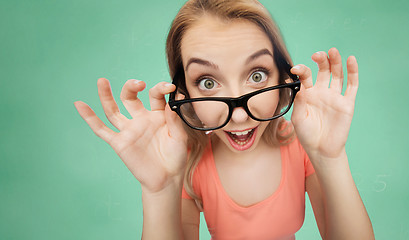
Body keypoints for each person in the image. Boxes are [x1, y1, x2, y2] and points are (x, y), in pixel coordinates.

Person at [74, 0, 375, 239]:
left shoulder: (300, 147)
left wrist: (330, 157)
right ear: (182, 94)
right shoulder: (189, 165)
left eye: (257, 75)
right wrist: (161, 190)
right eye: (207, 81)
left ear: (284, 77)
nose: (240, 114)